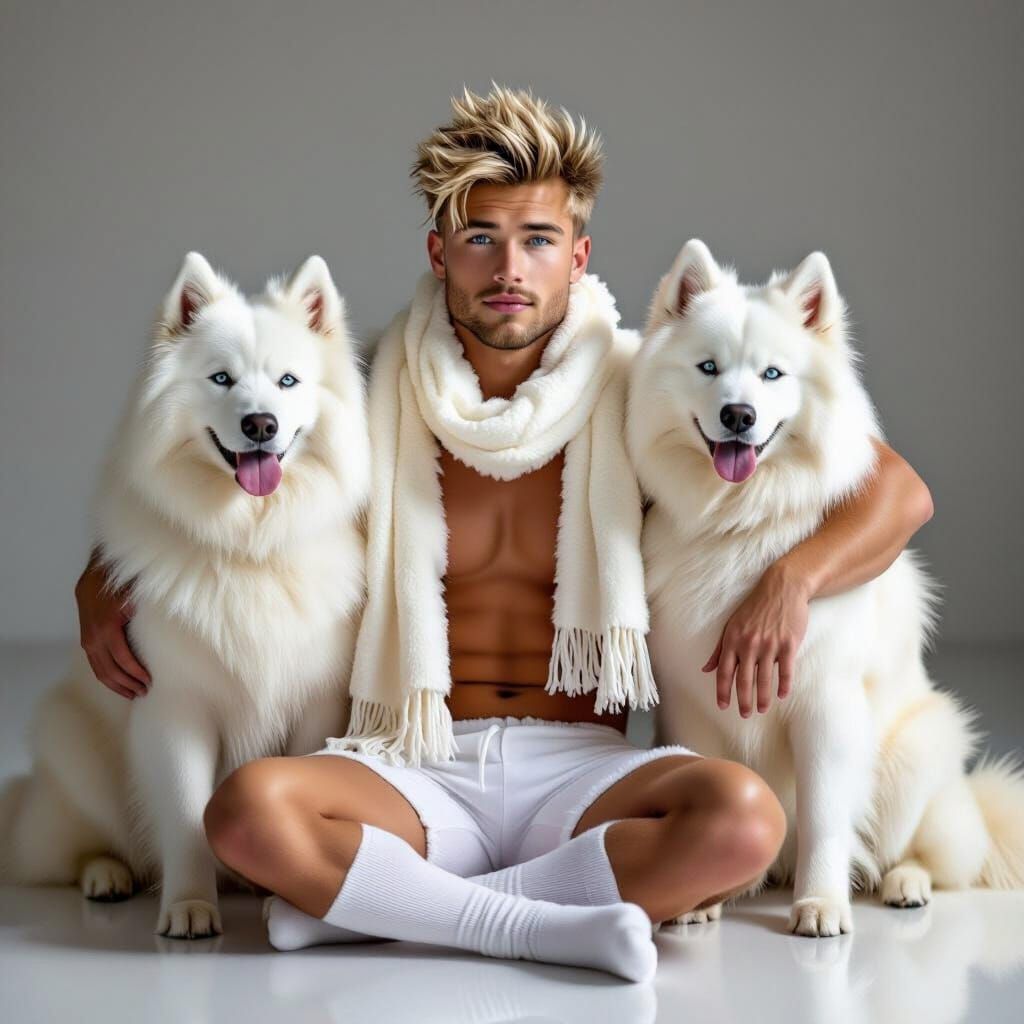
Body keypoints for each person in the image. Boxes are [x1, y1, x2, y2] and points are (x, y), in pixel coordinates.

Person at [75, 86, 934, 981]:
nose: (510, 269)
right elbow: (195, 496)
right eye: (482, 238)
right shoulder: (369, 392)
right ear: (439, 251)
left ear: (579, 254)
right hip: (415, 759)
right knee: (246, 815)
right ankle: (544, 919)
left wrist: (789, 581)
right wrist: (103, 579)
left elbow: (898, 493)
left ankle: (392, 905)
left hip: (582, 764)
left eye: (539, 240)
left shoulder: (647, 387)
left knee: (746, 824)